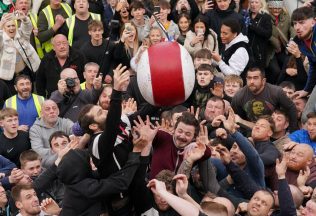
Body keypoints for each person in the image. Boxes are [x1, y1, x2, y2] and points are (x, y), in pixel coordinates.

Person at [231, 67, 298, 132]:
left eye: (255, 78)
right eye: (249, 78)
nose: (251, 81)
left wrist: (292, 131)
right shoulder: (238, 96)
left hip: (274, 130)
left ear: (263, 81)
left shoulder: (276, 92)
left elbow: (291, 108)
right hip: (252, 130)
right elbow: (237, 118)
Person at [0, 11, 40, 93]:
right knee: (13, 99)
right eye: (8, 26)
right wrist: (0, 27)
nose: (11, 28)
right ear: (4, 29)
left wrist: (24, 18)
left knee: (29, 94)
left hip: (25, 73)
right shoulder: (2, 40)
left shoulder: (21, 35)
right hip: (9, 78)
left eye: (13, 25)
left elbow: (27, 28)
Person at [29, 100, 73, 169]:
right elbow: (37, 151)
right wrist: (59, 151)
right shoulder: (35, 129)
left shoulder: (66, 123)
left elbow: (77, 136)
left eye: (54, 108)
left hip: (69, 160)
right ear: (41, 113)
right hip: (48, 165)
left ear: (58, 111)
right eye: (47, 109)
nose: (52, 111)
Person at [290, 6, 316, 99]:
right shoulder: (301, 42)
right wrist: (306, 90)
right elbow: (313, 65)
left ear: (313, 22)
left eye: (301, 22)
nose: (297, 27)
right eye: (295, 23)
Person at [246, 0, 272, 70]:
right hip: (247, 49)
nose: (253, 5)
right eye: (252, 2)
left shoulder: (265, 17)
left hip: (259, 51)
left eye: (256, 2)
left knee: (258, 71)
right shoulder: (246, 15)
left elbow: (268, 34)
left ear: (261, 4)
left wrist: (254, 27)